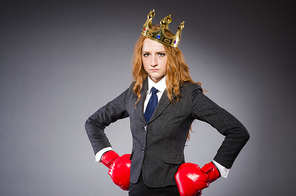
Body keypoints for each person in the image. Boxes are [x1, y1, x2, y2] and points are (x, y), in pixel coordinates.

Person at [85, 9, 250, 196]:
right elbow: (93, 122)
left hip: (172, 188)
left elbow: (237, 132)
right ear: (141, 58)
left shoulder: (189, 95)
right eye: (147, 54)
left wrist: (210, 172)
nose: (153, 62)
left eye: (161, 54)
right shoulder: (134, 92)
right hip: (137, 187)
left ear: (171, 57)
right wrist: (109, 159)